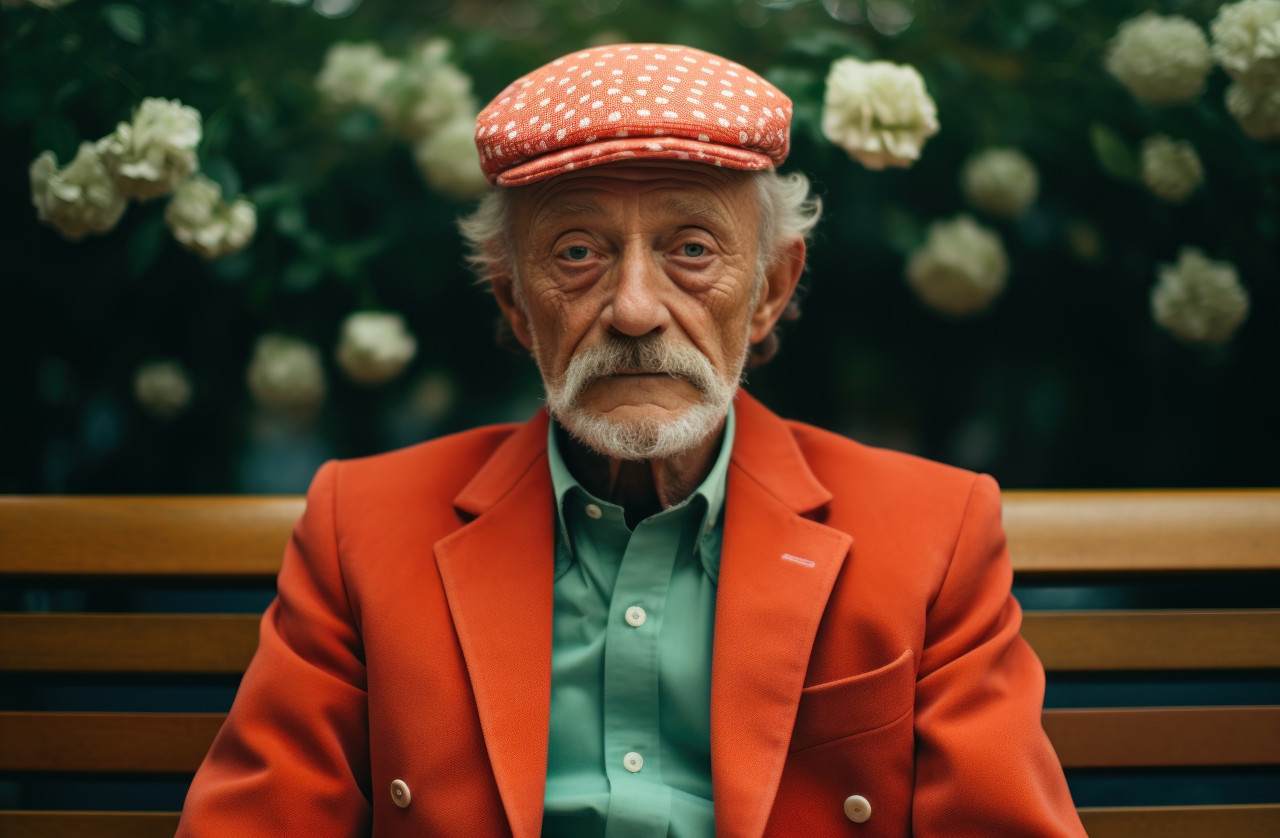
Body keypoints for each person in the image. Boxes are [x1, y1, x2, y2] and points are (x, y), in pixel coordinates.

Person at [176, 43, 1087, 838]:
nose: (636, 309)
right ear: (513, 302)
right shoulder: (360, 526)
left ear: (770, 286)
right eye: (577, 253)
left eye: (693, 248)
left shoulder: (934, 532)